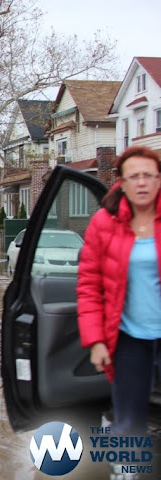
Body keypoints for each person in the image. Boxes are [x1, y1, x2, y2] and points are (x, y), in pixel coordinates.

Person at [77, 145, 161, 436]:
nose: (141, 182)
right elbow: (89, 286)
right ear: (121, 183)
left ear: (159, 179)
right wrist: (96, 341)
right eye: (133, 176)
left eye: (149, 175)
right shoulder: (104, 223)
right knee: (128, 423)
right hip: (128, 339)